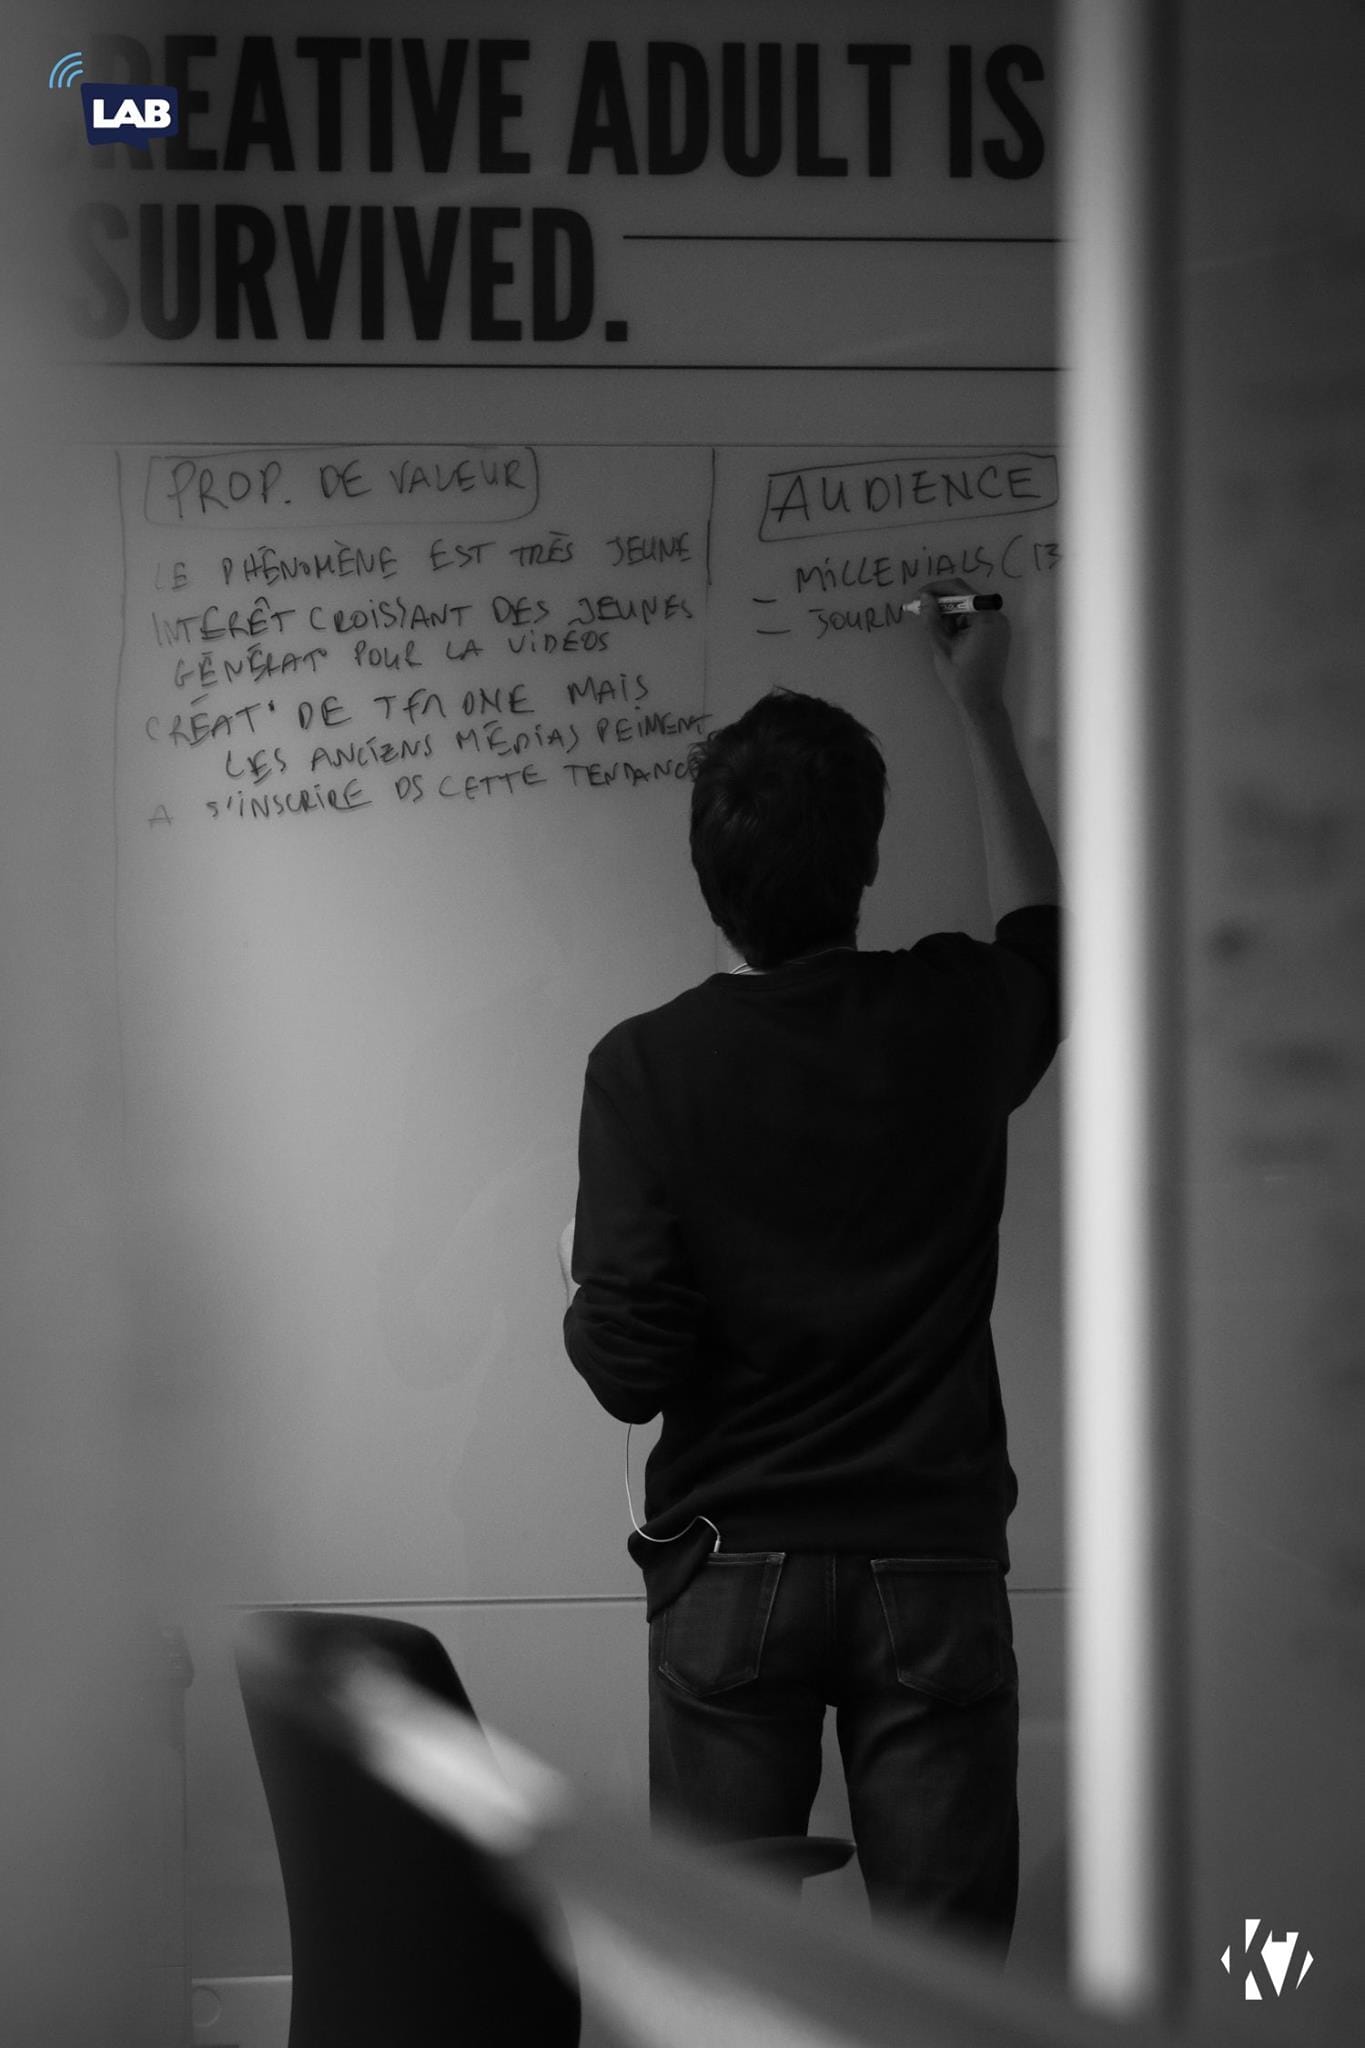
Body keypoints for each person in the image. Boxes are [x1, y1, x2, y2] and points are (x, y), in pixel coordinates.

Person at [559, 581, 1062, 1956]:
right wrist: (980, 709)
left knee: (725, 1979)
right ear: (866, 861)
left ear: (704, 872)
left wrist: (584, 1294)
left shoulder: (645, 1068)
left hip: (731, 1570)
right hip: (931, 1563)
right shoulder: (950, 1017)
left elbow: (629, 1371)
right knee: (944, 1989)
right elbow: (1048, 940)